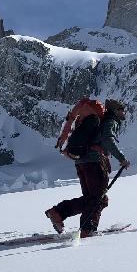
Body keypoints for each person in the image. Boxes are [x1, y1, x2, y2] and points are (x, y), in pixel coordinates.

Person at [45, 99, 130, 238]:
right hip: (94, 162)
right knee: (99, 199)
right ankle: (86, 229)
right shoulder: (110, 121)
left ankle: (59, 213)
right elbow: (108, 139)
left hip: (82, 161)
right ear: (115, 111)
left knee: (91, 198)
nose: (124, 112)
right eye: (122, 110)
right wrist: (121, 158)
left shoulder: (98, 121)